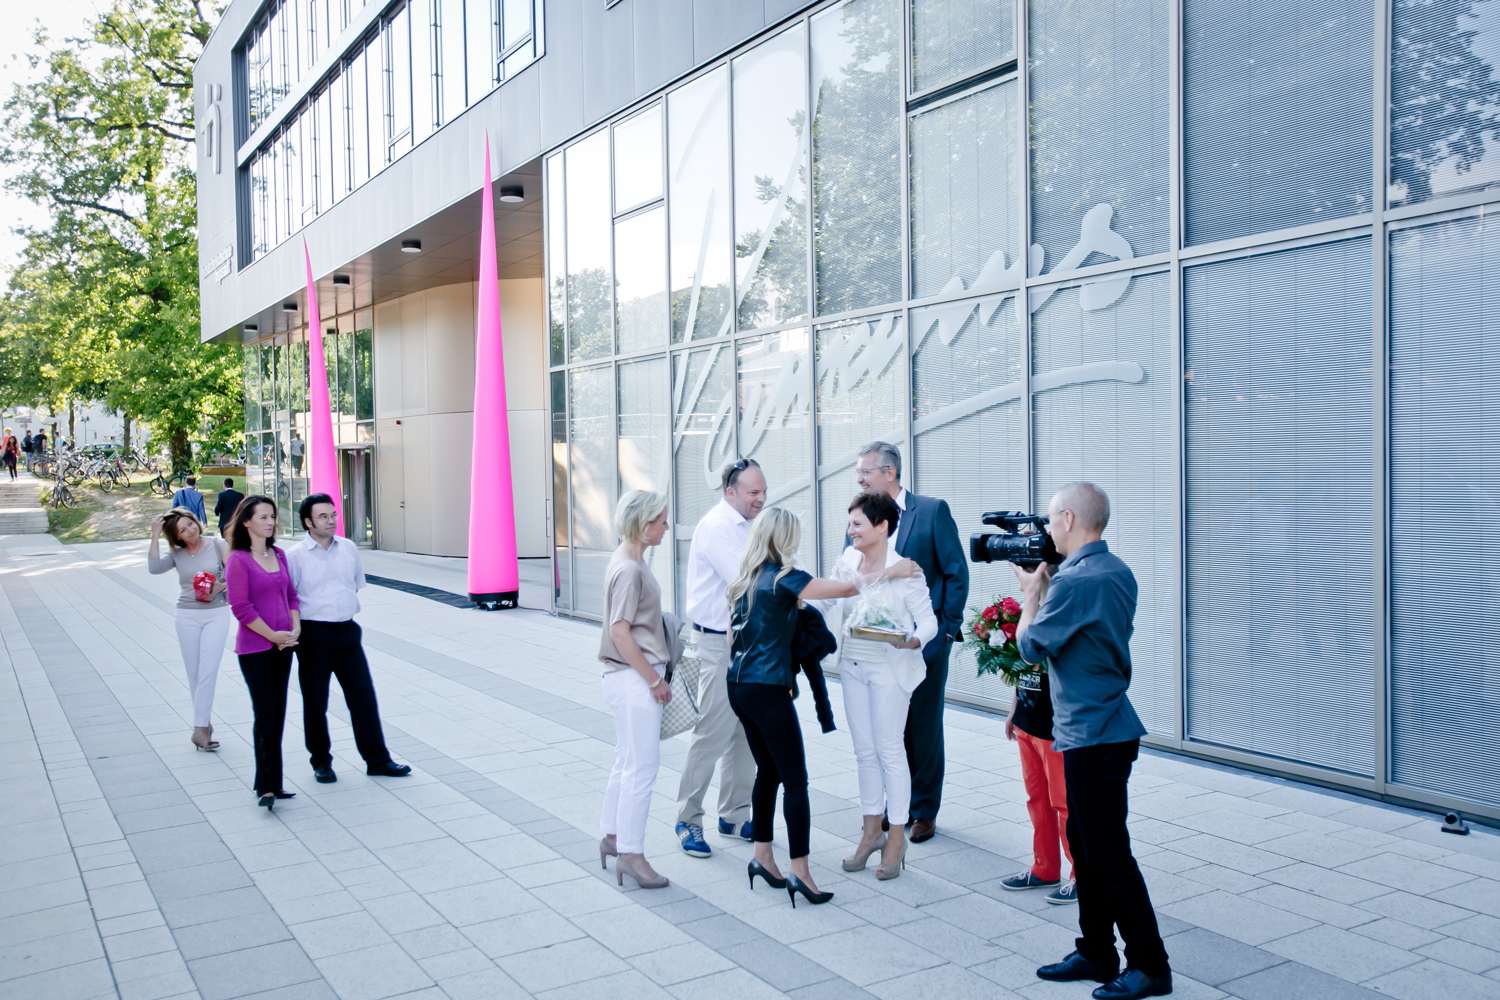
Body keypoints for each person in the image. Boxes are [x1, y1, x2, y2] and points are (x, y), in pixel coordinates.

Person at [1014, 483, 1171, 1000]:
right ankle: (1097, 951)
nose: (1046, 529)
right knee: (1084, 845)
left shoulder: (1075, 581)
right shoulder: (1116, 570)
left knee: (1107, 854)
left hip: (1092, 736)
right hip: (1103, 728)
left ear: (1069, 518)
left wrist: (1031, 595)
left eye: (1050, 519)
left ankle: (1150, 966)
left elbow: (1031, 648)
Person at [726, 507, 922, 907]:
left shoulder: (745, 579)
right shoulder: (784, 577)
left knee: (768, 772)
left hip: (738, 687)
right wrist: (893, 571)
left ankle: (763, 857)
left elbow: (732, 639)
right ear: (784, 538)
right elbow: (847, 590)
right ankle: (800, 871)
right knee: (795, 782)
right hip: (767, 689)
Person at [815, 492, 936, 882]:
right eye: (850, 523)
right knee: (864, 751)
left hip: (889, 669)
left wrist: (913, 641)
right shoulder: (848, 561)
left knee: (889, 749)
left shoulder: (907, 569)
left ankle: (896, 838)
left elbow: (929, 622)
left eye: (857, 524)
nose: (850, 531)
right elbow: (828, 599)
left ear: (882, 526)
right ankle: (871, 833)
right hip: (852, 666)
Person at [854, 442, 968, 843]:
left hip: (925, 641)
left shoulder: (932, 511)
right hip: (878, 644)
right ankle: (897, 807)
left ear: (889, 472)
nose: (860, 479)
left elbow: (955, 572)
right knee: (889, 728)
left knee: (923, 726)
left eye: (865, 472)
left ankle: (924, 810)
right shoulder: (861, 516)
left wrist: (946, 630)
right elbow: (855, 570)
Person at [674, 458, 766, 858]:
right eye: (753, 492)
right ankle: (687, 819)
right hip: (716, 644)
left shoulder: (749, 523)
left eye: (764, 491)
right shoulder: (717, 527)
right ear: (730, 492)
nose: (761, 499)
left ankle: (734, 814)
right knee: (711, 733)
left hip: (746, 642)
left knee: (745, 732)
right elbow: (748, 581)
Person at [286, 494, 411, 783]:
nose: (331, 521)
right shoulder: (295, 556)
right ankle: (321, 762)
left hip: (348, 632)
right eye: (323, 516)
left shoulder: (349, 548)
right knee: (316, 701)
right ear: (308, 522)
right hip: (313, 635)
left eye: (333, 515)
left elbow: (353, 586)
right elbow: (289, 598)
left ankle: (378, 760)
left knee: (363, 698)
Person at [597, 490, 674, 890]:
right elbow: (619, 632)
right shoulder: (630, 569)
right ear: (644, 526)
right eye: (662, 521)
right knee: (642, 767)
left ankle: (613, 836)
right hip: (634, 676)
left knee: (626, 760)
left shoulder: (627, 559)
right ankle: (630, 853)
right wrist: (654, 680)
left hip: (624, 676)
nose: (667, 527)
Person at [227, 494, 301, 812]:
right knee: (266, 713)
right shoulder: (239, 559)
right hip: (256, 648)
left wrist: (295, 629)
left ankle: (273, 782)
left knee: (278, 712)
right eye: (263, 517)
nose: (270, 522)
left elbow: (291, 595)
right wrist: (272, 636)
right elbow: (240, 607)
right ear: (246, 522)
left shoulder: (279, 554)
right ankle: (266, 785)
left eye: (272, 516)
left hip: (285, 645)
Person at [148, 507, 232, 751]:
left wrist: (218, 588)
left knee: (208, 670)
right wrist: (155, 535)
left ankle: (199, 729)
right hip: (186, 615)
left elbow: (237, 573)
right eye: (182, 530)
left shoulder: (218, 544)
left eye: (191, 524)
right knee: (194, 673)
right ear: (177, 537)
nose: (190, 530)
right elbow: (154, 568)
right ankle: (203, 725)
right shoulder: (177, 554)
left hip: (216, 613)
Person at [998, 660, 1075, 904]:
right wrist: (1014, 710)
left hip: (1054, 726)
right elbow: (1017, 666)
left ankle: (1081, 876)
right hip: (1026, 720)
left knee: (1064, 804)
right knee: (1037, 800)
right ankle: (1045, 869)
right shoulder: (1021, 631)